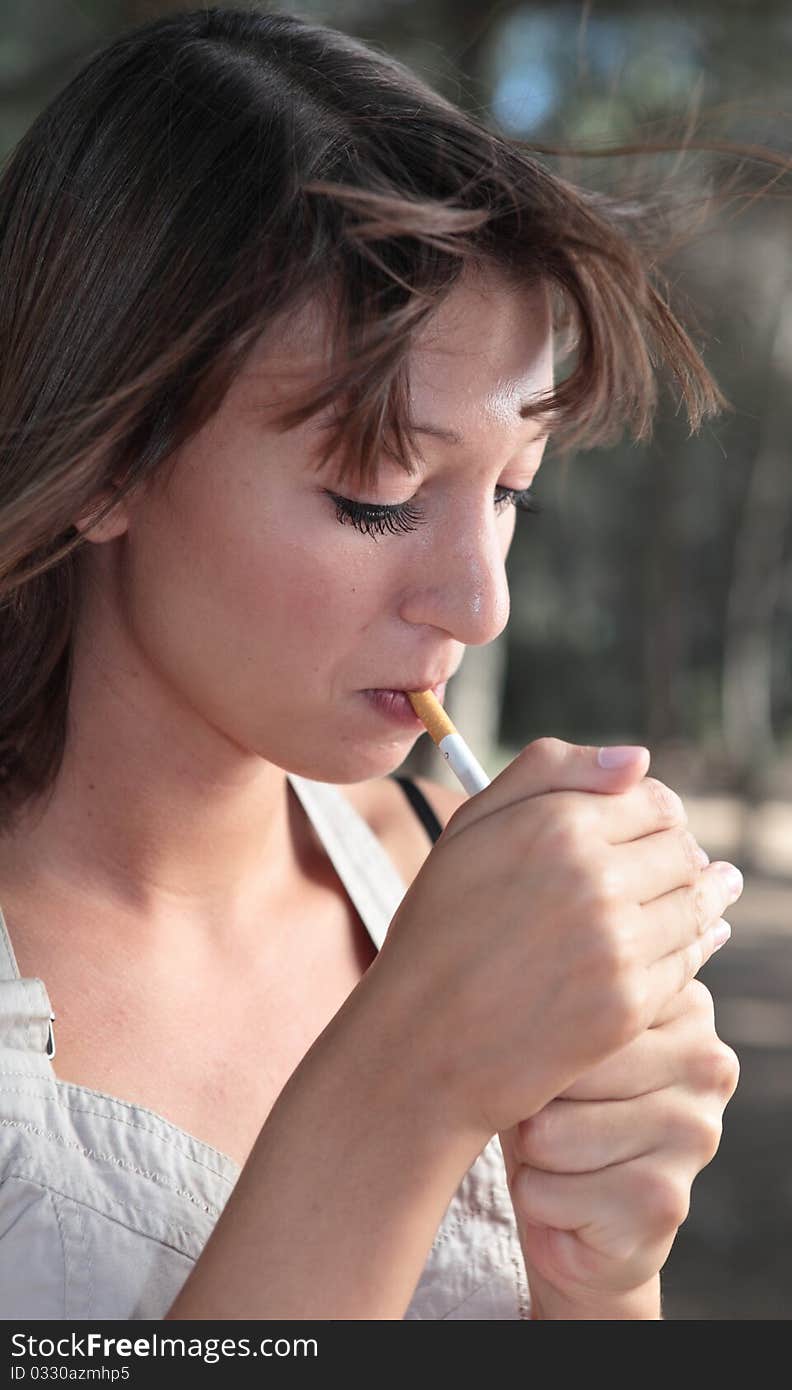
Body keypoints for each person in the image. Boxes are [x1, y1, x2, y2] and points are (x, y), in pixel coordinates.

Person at [0, 7, 743, 1320]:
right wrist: (405, 1081)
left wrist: (606, 1276)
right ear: (105, 453)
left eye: (512, 484)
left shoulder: (445, 888)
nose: (481, 599)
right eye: (380, 491)